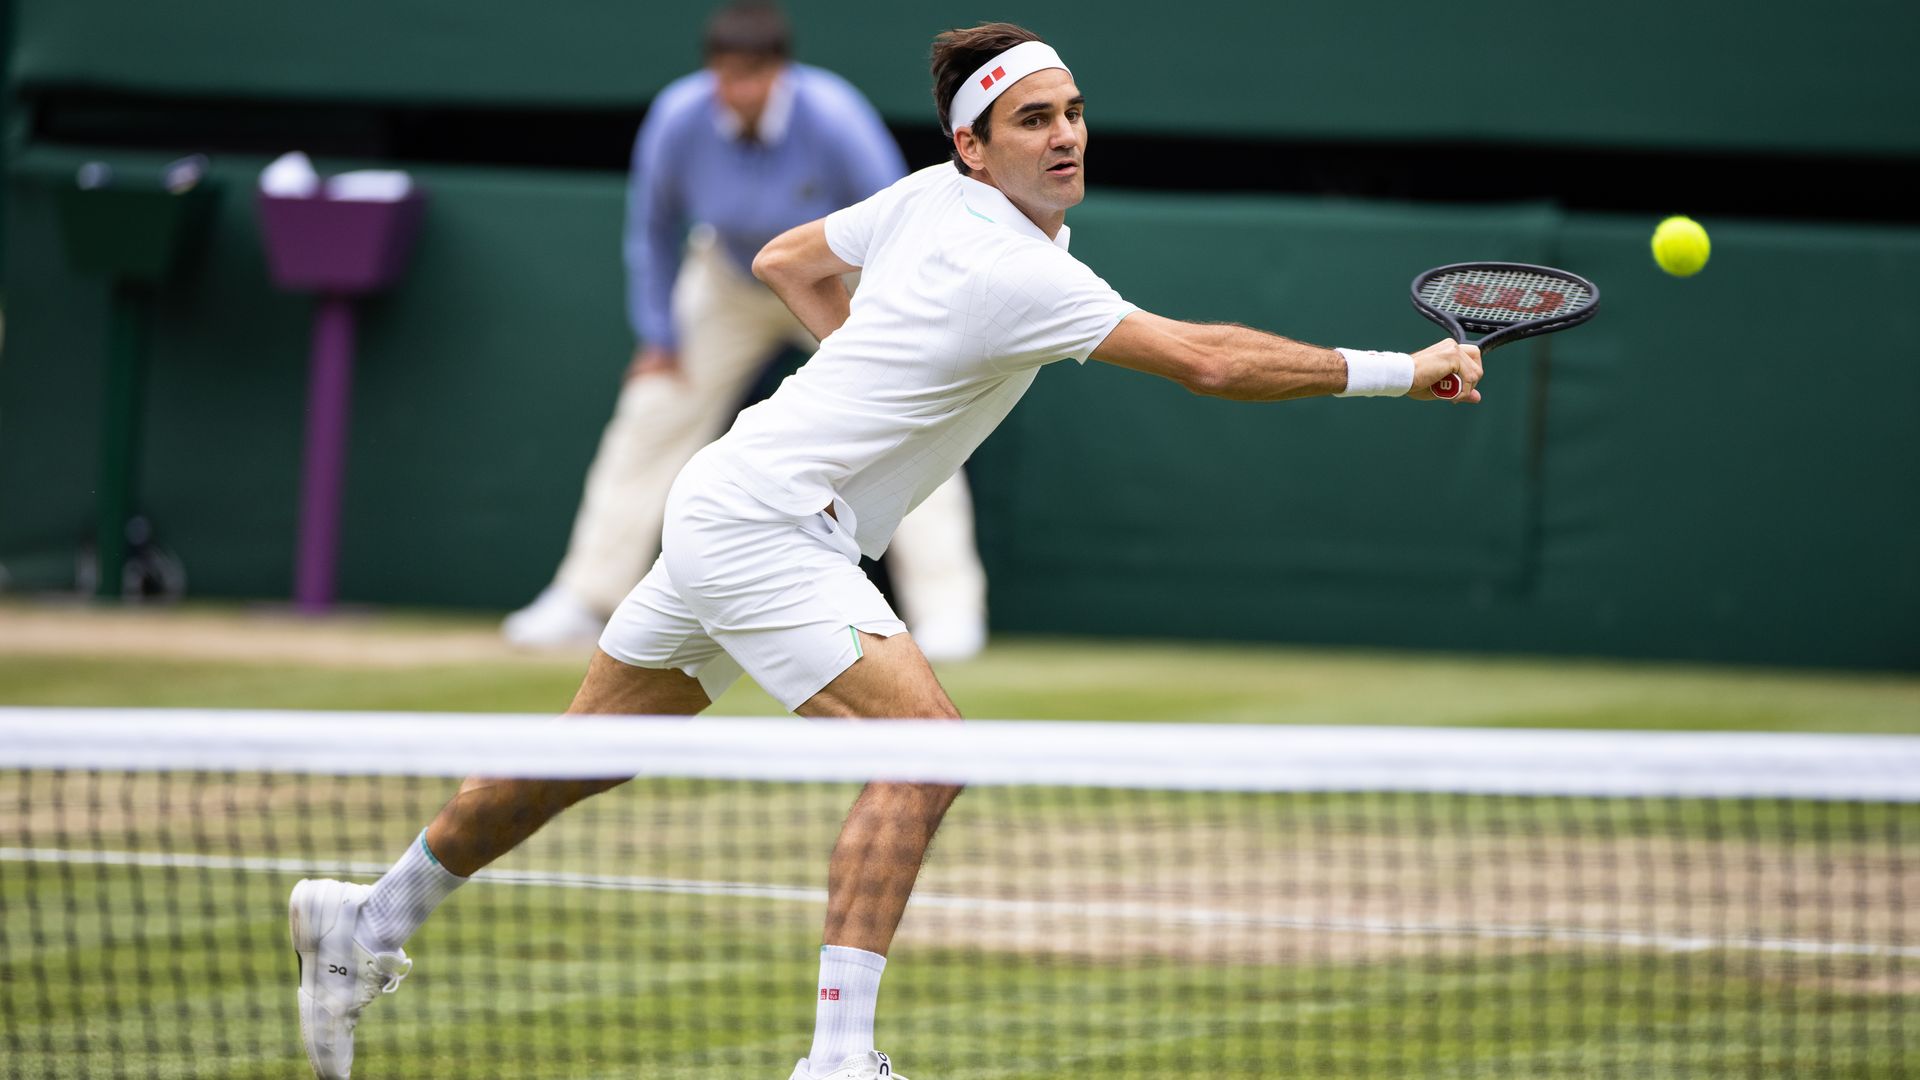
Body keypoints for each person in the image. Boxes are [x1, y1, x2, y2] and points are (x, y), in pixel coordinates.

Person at [288, 20, 1483, 1080]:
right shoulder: (1014, 270)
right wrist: (1405, 369)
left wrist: (874, 369)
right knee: (925, 755)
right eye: (1033, 121)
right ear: (977, 145)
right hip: (765, 525)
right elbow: (1212, 360)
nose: (1066, 137)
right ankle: (840, 1058)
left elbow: (787, 262)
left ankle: (364, 923)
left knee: (578, 760)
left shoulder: (927, 198)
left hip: (735, 496)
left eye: (1072, 112)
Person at [503, 0, 990, 663]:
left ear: (779, 72)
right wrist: (658, 336)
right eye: (725, 74)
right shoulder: (680, 117)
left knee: (906, 425)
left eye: (753, 73)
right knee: (652, 415)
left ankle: (949, 614)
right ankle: (585, 596)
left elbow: (897, 221)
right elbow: (650, 229)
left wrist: (893, 330)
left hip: (836, 279)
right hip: (727, 282)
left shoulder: (834, 116)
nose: (739, 89)